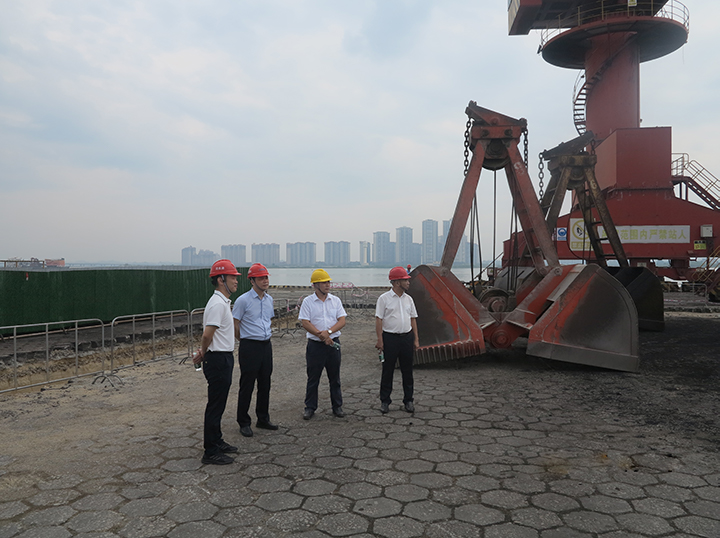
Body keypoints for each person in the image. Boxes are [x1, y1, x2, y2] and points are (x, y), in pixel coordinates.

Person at [194, 259, 241, 465]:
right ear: (221, 280)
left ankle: (217, 440)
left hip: (223, 357)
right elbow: (207, 335)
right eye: (232, 278)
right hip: (217, 359)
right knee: (215, 405)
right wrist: (203, 352)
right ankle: (210, 451)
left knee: (219, 404)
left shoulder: (222, 302)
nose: (236, 281)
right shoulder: (217, 304)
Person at [232, 263, 278, 438]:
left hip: (266, 345)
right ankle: (243, 421)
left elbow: (268, 320)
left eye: (266, 277)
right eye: (261, 278)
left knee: (265, 383)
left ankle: (263, 418)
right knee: (247, 385)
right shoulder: (243, 300)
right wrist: (243, 339)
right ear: (252, 281)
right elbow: (235, 323)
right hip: (249, 346)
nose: (265, 281)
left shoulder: (269, 300)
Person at [298, 268, 347, 420]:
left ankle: (337, 406)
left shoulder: (335, 300)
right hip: (315, 346)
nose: (327, 285)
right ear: (315, 285)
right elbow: (305, 322)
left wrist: (329, 332)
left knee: (335, 377)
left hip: (333, 343)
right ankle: (310, 407)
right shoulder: (308, 302)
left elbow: (342, 320)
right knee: (313, 378)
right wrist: (321, 335)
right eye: (324, 282)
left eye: (328, 282)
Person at [375, 266, 419, 414]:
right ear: (397, 282)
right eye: (405, 280)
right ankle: (385, 401)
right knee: (387, 371)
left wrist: (416, 339)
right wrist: (380, 340)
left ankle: (408, 400)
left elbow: (413, 319)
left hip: (406, 337)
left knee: (408, 371)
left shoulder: (409, 299)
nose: (408, 282)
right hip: (390, 338)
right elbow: (379, 320)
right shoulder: (384, 299)